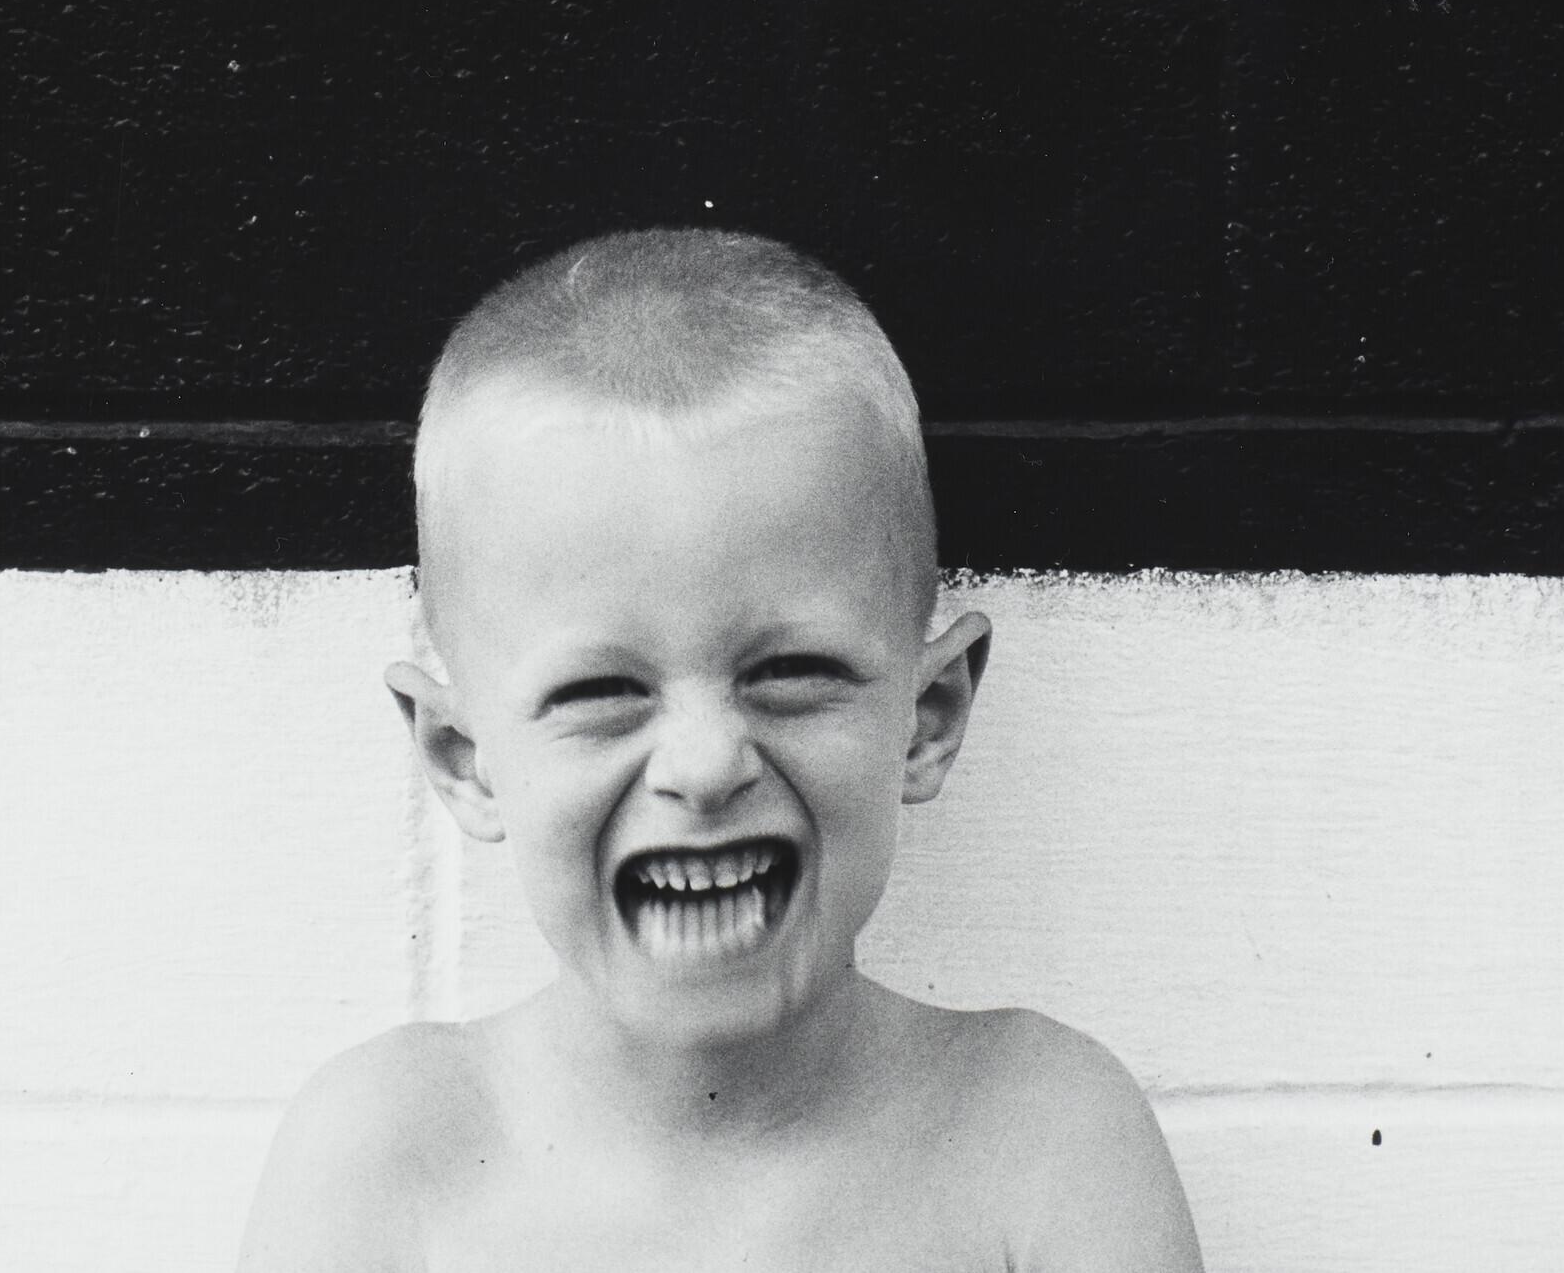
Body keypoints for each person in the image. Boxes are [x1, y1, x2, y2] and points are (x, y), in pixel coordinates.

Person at [237, 227, 1203, 1271]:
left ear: (927, 717)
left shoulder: (1042, 1142)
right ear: (462, 757)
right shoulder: (383, 1160)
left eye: (791, 672)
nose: (702, 765)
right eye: (600, 691)